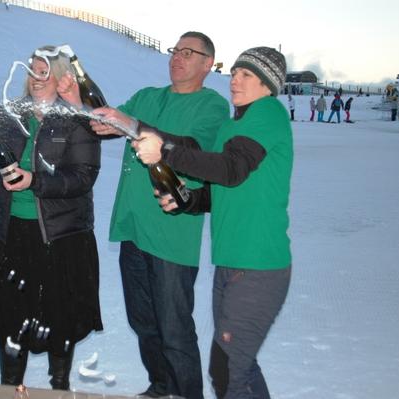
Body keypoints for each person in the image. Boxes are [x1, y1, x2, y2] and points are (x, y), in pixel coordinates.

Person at [133, 46, 292, 399]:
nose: (235, 79)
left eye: (247, 74)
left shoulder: (268, 113)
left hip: (259, 264)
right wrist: (187, 200)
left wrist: (166, 152)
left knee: (232, 367)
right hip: (232, 262)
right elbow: (219, 188)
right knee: (233, 365)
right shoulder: (233, 126)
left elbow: (231, 170)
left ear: (268, 85)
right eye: (234, 72)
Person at [0, 45, 103, 390]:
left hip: (62, 238)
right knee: (11, 315)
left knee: (60, 315)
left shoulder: (78, 118)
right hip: (13, 234)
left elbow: (83, 177)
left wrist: (36, 181)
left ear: (62, 76)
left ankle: (59, 385)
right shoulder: (10, 115)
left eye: (44, 71)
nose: (35, 78)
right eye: (32, 70)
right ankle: (9, 386)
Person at [89, 31, 229, 399]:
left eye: (188, 52)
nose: (177, 57)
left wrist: (132, 125)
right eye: (174, 50)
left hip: (171, 234)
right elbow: (115, 123)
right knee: (143, 322)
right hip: (133, 226)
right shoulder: (148, 97)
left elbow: (192, 147)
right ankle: (161, 385)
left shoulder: (212, 106)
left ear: (207, 64)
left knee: (174, 328)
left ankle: (186, 393)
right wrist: (98, 118)